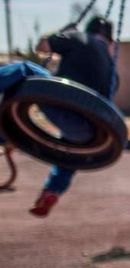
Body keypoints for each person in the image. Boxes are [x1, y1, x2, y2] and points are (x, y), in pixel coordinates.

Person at [10, 16, 117, 217]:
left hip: (59, 106)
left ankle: (5, 132)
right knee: (71, 152)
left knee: (25, 69)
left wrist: (63, 33)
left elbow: (42, 47)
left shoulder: (78, 37)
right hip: (87, 130)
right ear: (110, 42)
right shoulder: (113, 70)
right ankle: (53, 191)